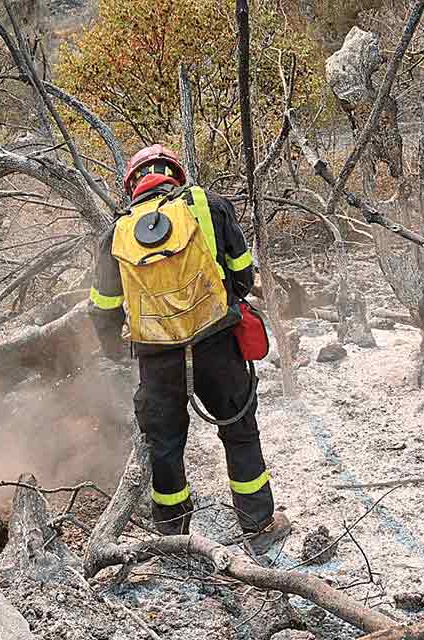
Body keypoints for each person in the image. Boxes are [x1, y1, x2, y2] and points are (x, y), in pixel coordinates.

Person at [89, 144, 291, 554]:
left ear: (132, 186)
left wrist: (117, 350)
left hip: (156, 357)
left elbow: (103, 308)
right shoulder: (210, 206)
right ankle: (259, 525)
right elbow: (242, 273)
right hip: (216, 344)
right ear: (175, 176)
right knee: (238, 431)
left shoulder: (115, 233)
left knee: (164, 446)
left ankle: (174, 536)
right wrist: (226, 308)